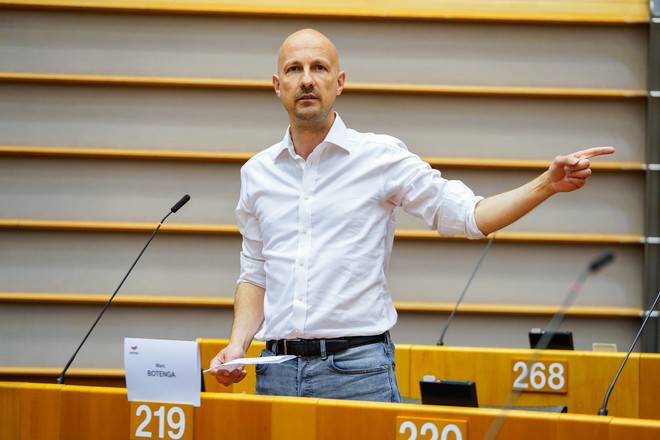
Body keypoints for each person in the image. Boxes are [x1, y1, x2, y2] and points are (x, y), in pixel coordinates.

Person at [209, 29, 614, 402]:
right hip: (274, 372)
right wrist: (238, 344)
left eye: (319, 68)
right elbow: (256, 271)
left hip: (357, 371)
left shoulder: (380, 158)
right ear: (278, 86)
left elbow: (470, 216)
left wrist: (545, 184)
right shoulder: (257, 173)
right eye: (294, 70)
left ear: (340, 81)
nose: (307, 79)